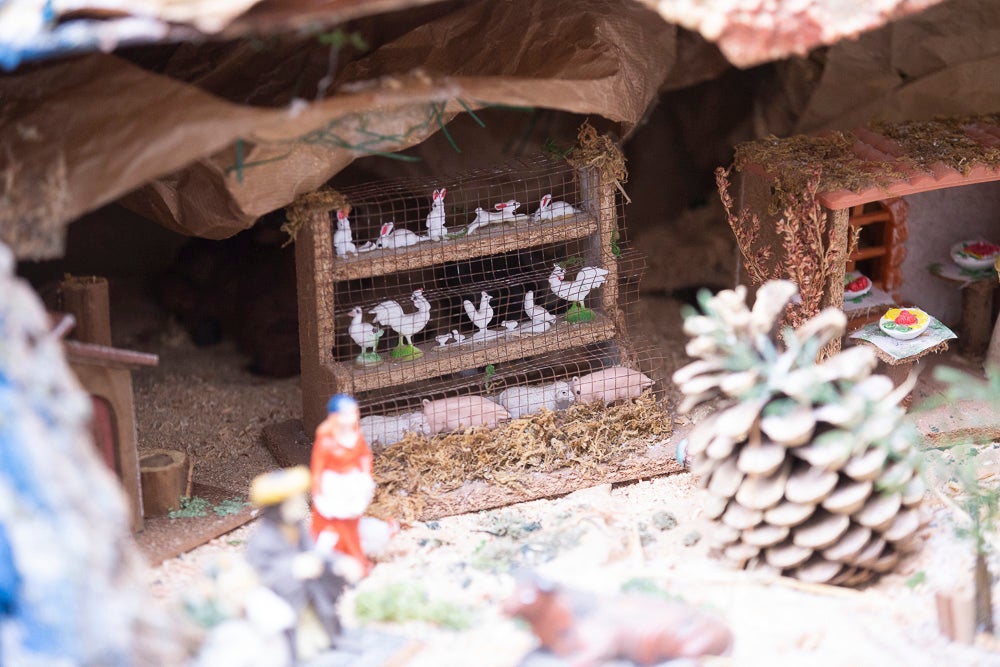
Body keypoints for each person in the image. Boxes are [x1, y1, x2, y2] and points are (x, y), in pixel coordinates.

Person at [246, 466, 346, 661]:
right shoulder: (262, 541)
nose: (302, 504)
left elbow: (313, 550)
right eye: (296, 500)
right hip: (281, 602)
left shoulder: (296, 528)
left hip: (305, 594)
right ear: (280, 507)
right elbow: (257, 578)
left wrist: (338, 561)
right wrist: (293, 569)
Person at [310, 394, 376, 576]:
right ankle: (331, 559)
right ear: (335, 417)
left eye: (354, 413)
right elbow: (317, 468)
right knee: (332, 525)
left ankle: (354, 556)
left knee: (352, 521)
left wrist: (365, 474)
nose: (351, 418)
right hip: (334, 484)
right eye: (346, 414)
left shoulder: (356, 435)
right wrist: (318, 489)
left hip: (352, 482)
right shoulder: (326, 441)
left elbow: (364, 456)